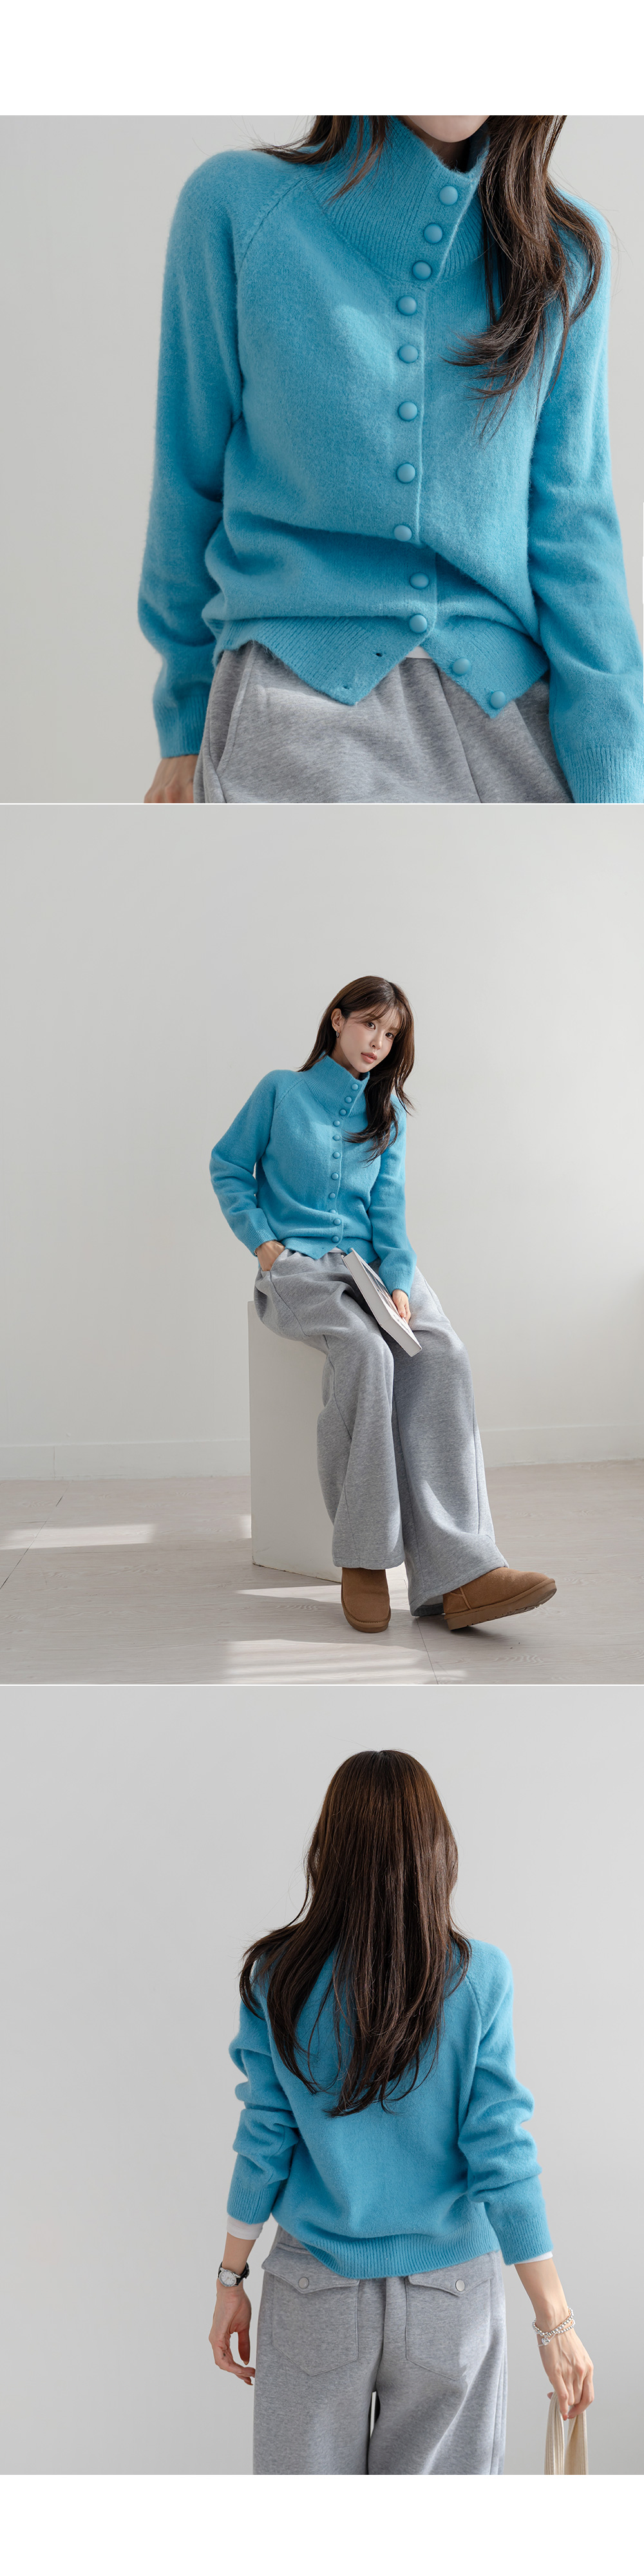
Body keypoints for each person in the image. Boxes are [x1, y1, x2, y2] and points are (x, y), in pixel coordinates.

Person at [140, 115, 644, 808]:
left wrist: (619, 794)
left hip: (515, 726)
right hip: (292, 708)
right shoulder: (237, 207)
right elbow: (187, 484)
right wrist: (185, 726)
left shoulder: (563, 252)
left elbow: (575, 535)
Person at [209, 1750, 594, 2474]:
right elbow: (501, 2152)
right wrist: (556, 2321)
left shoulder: (276, 1977)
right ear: (436, 1849)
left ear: (328, 1849)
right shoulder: (479, 1976)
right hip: (453, 2293)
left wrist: (231, 2279)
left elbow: (264, 2139)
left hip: (314, 2286)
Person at [209, 973, 555, 1635]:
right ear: (338, 1020)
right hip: (302, 1269)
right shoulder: (280, 1090)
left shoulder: (386, 1114)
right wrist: (265, 1245)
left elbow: (390, 1215)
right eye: (370, 1024)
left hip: (375, 1268)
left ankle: (463, 1573)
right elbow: (228, 1166)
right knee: (368, 1354)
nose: (378, 1041)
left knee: (444, 1355)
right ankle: (364, 1555)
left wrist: (398, 1282)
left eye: (391, 1034)